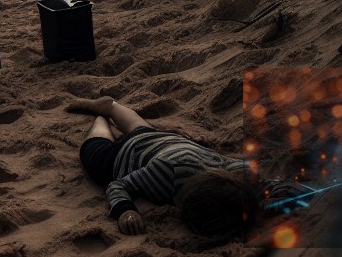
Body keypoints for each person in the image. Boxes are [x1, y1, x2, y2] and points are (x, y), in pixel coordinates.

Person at [70, 95, 262, 239]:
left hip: (162, 140)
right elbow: (118, 185)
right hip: (121, 156)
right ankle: (101, 119)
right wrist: (125, 210)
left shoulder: (228, 168)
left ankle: (113, 107)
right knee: (94, 152)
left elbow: (259, 177)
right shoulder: (164, 173)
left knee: (139, 127)